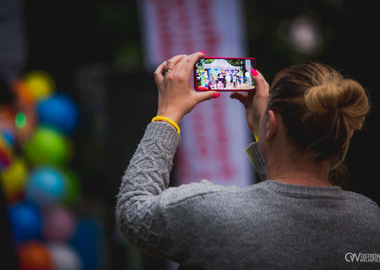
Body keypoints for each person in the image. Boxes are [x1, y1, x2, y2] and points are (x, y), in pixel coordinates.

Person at [116, 52, 380, 269]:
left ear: (272, 125)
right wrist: (263, 131)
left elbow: (132, 211)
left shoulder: (210, 212)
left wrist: (167, 115)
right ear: (346, 138)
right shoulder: (369, 221)